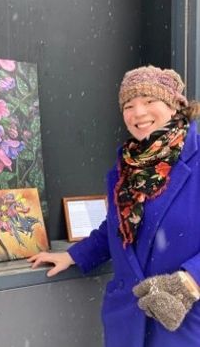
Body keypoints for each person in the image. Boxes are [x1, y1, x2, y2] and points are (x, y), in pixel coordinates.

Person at [28, 65, 200, 347]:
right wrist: (74, 256)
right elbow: (117, 229)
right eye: (128, 105)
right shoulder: (126, 168)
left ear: (174, 106)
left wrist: (191, 282)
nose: (138, 113)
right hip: (128, 320)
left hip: (186, 322)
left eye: (149, 101)